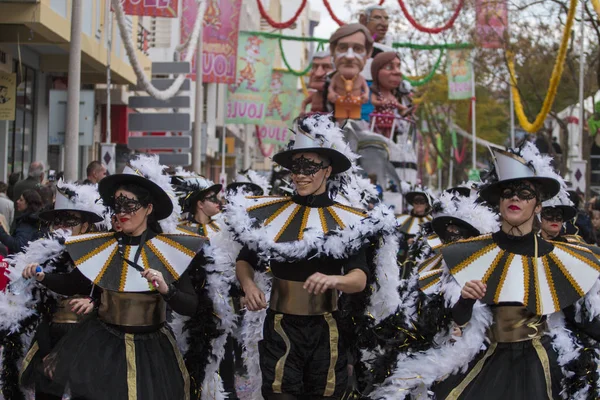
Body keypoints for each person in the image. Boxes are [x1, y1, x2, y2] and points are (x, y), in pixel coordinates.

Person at [372, 143, 600, 399]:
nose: (515, 198)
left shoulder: (560, 258)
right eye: (508, 192)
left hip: (541, 364)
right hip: (486, 359)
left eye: (525, 193)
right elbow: (452, 321)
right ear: (499, 203)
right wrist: (466, 300)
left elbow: (583, 321)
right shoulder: (468, 253)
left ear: (538, 206)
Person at [229, 115, 400, 399]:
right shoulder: (271, 215)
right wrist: (249, 286)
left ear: (328, 171)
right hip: (280, 324)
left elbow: (359, 279)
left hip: (326, 328)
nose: (300, 175)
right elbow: (245, 259)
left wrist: (334, 280)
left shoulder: (349, 221)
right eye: (296, 167)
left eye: (310, 167)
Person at [20, 156, 220, 400]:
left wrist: (167, 290)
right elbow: (76, 283)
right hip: (103, 345)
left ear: (149, 209)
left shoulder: (169, 251)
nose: (122, 213)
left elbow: (190, 306)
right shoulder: (103, 247)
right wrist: (42, 276)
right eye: (118, 206)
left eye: (130, 206)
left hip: (151, 350)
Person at [4, 181, 108, 400]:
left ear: (86, 225)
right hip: (48, 335)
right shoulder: (42, 255)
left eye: (70, 220)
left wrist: (94, 302)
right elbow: (30, 303)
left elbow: (79, 284)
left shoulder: (101, 254)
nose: (63, 226)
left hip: (87, 340)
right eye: (58, 221)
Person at [327, 23, 373, 120]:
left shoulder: (361, 79)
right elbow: (330, 88)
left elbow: (366, 90)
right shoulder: (333, 78)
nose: (349, 56)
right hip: (340, 104)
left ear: (368, 53)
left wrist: (365, 95)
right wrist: (331, 93)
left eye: (358, 49)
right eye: (342, 48)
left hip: (355, 104)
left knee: (354, 121)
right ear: (332, 50)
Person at [369, 52, 408, 138]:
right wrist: (380, 103)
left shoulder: (392, 95)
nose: (398, 72)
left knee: (389, 134)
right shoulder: (377, 93)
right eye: (389, 67)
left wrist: (404, 108)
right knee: (377, 133)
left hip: (390, 119)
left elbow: (396, 104)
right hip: (379, 118)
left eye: (398, 66)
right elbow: (373, 101)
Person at [0, 189, 47, 253]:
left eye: (21, 200)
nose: (17, 201)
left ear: (29, 203)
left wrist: (1, 232)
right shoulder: (33, 219)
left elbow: (18, 246)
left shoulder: (29, 221)